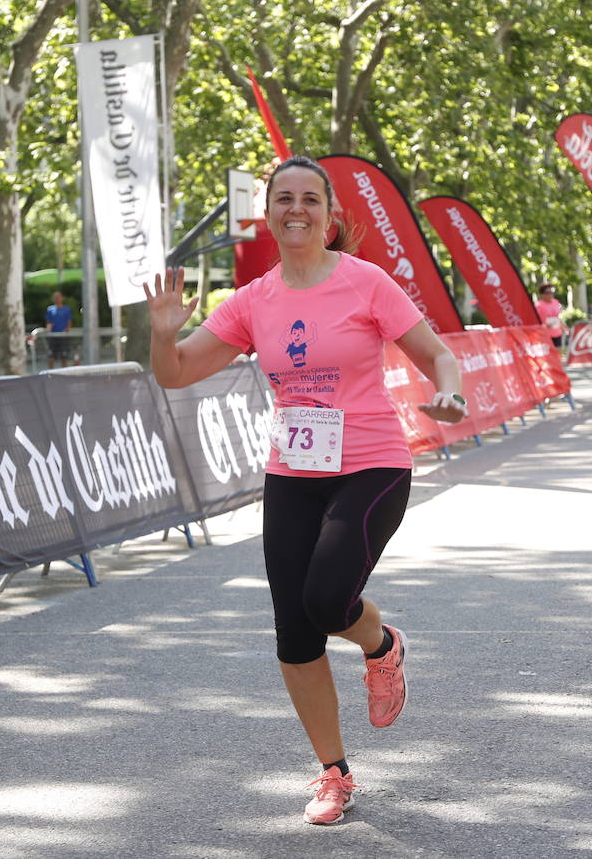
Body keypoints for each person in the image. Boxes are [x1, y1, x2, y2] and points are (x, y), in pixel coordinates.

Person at [143, 155, 466, 826]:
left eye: (309, 199)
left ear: (329, 215)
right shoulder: (255, 300)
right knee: (295, 632)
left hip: (372, 466)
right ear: (269, 214)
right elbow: (174, 373)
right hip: (293, 474)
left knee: (325, 600)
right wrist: (160, 331)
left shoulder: (365, 283)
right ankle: (334, 774)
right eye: (283, 198)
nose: (296, 209)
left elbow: (436, 353)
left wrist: (450, 391)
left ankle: (382, 647)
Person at [44, 291, 74, 368]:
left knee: (64, 358)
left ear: (62, 298)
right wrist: (49, 328)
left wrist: (67, 329)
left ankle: (64, 376)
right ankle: (50, 376)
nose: (57, 299)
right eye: (55, 297)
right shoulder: (50, 309)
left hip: (63, 337)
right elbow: (48, 323)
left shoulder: (66, 309)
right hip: (53, 337)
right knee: (51, 358)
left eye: (58, 297)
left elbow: (69, 322)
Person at [535, 282, 564, 347]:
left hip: (557, 333)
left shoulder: (556, 302)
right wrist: (544, 325)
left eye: (551, 292)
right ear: (542, 294)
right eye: (547, 293)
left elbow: (559, 315)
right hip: (545, 335)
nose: (550, 295)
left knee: (558, 355)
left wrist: (562, 324)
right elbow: (535, 321)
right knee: (548, 356)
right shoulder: (538, 305)